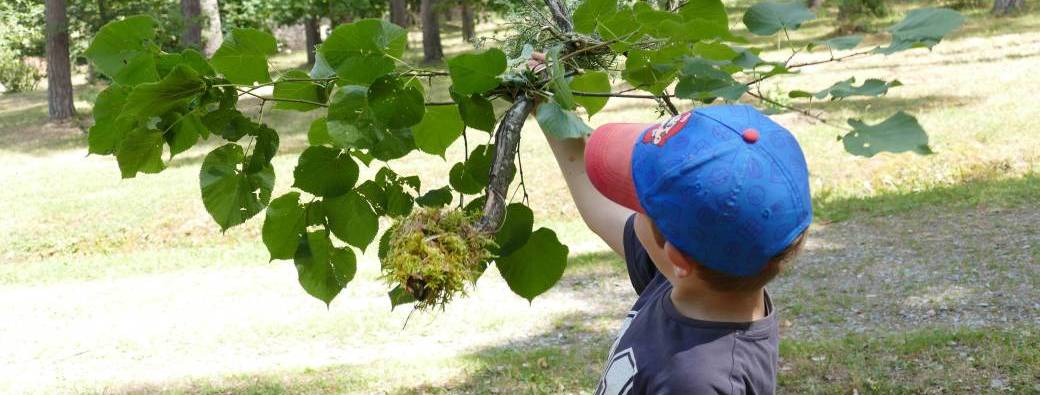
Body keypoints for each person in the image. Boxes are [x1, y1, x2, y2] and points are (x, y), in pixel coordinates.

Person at [542, 104, 812, 394]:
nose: (630, 209)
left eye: (638, 203)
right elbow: (598, 202)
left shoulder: (698, 382)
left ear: (677, 258)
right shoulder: (707, 276)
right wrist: (550, 107)